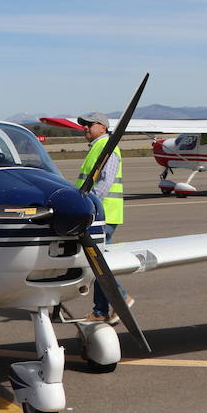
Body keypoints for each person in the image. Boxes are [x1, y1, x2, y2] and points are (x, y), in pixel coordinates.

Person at [74, 118, 130, 322]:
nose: (85, 128)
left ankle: (119, 299)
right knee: (96, 262)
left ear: (103, 127)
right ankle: (102, 311)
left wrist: (89, 208)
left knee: (96, 263)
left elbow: (105, 181)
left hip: (101, 215)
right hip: (99, 214)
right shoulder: (97, 147)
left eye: (90, 124)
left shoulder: (107, 147)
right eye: (84, 125)